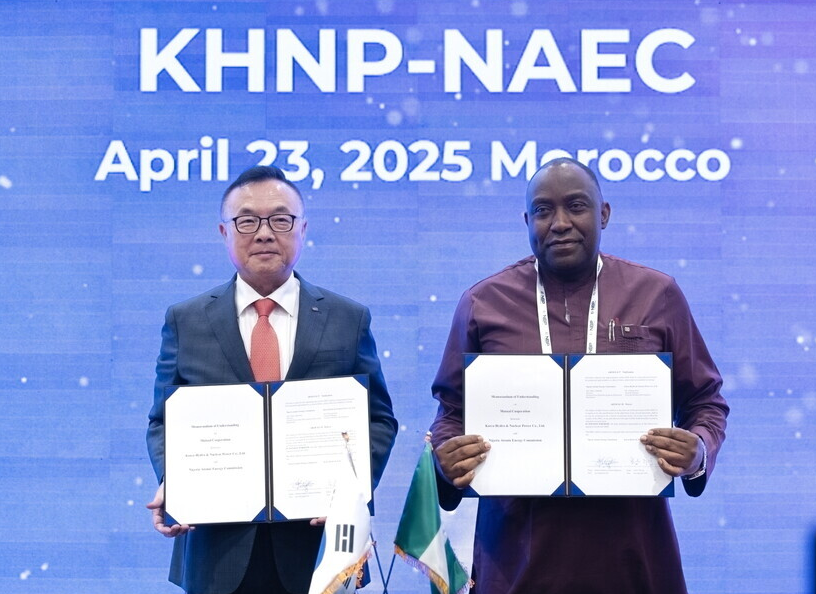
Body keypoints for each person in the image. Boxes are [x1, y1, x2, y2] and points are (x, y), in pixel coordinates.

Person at [429, 158, 729, 594]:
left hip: (633, 550)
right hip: (516, 553)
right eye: (543, 210)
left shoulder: (657, 294)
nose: (560, 223)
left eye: (576, 206)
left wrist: (698, 450)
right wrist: (445, 462)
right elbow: (452, 412)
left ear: (603, 213)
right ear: (527, 221)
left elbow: (705, 400)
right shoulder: (482, 303)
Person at [146, 165, 398, 594]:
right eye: (247, 221)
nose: (264, 233)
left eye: (280, 219)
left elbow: (379, 420)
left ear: (303, 229)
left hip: (320, 548)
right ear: (224, 232)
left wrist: (353, 489)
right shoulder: (186, 320)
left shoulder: (348, 318)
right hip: (216, 549)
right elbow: (162, 421)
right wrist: (176, 480)